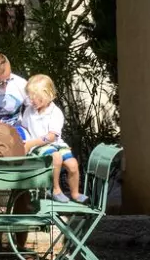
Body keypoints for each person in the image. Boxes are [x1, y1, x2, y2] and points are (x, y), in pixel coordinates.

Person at [21, 74, 88, 204]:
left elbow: (52, 136)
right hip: (38, 147)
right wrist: (25, 142)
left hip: (53, 143)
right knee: (56, 157)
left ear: (48, 96)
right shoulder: (29, 111)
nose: (32, 101)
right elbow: (25, 128)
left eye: (37, 98)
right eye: (31, 97)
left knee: (73, 164)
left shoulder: (55, 112)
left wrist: (30, 143)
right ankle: (55, 189)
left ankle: (75, 193)